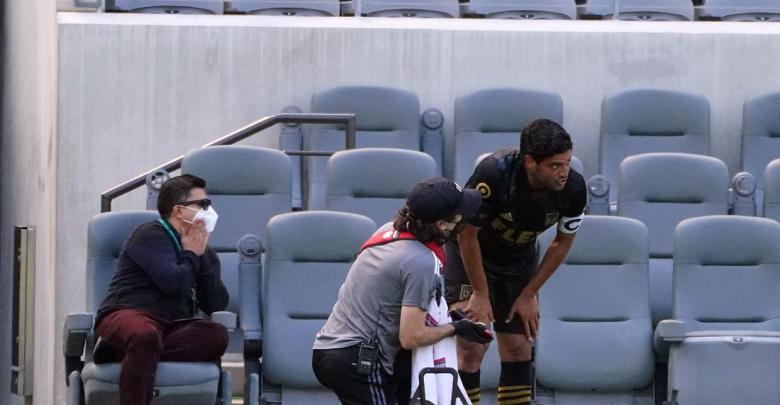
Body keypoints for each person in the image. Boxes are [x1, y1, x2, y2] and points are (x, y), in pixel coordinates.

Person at [313, 177, 494, 405]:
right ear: (442, 224)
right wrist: (455, 328)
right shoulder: (420, 261)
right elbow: (411, 337)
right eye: (459, 215)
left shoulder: (388, 231)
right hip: (358, 361)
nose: (463, 220)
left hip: (330, 350)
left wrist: (449, 318)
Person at [445, 119, 586, 405]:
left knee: (519, 348)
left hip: (517, 263)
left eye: (567, 163)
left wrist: (529, 293)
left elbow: (562, 242)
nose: (564, 172)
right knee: (472, 344)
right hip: (471, 257)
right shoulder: (494, 174)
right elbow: (467, 235)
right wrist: (480, 293)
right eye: (555, 166)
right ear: (530, 162)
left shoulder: (573, 188)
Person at [93, 174, 230, 405]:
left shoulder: (198, 249)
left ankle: (120, 350)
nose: (208, 210)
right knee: (145, 335)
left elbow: (215, 303)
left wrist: (204, 258)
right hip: (128, 313)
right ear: (179, 211)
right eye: (202, 204)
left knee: (216, 335)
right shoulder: (149, 235)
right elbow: (173, 285)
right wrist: (191, 254)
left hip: (170, 325)